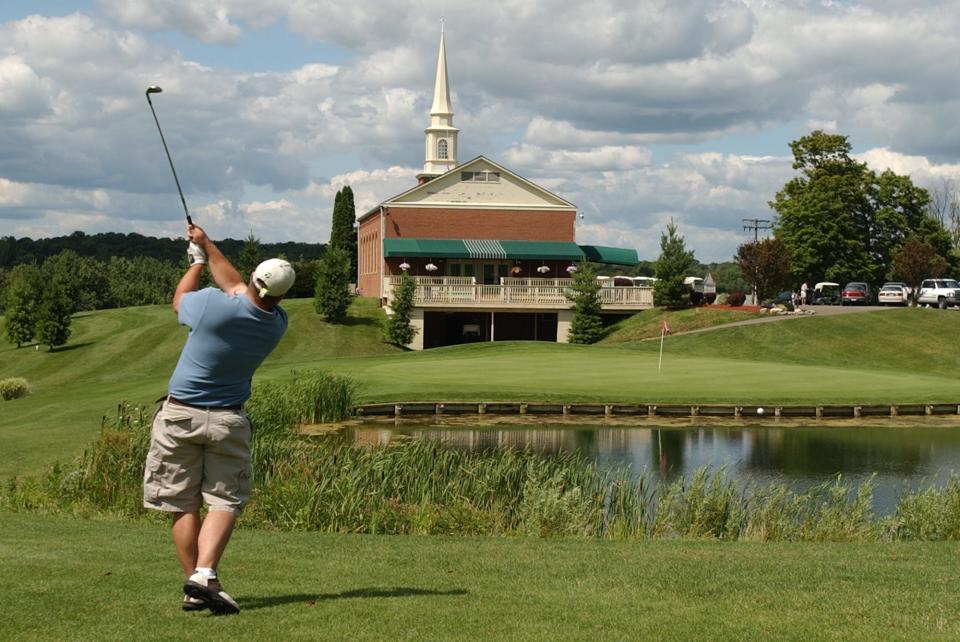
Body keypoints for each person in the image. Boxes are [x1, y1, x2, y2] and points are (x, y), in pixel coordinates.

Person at [143, 224, 295, 615]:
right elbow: (237, 285)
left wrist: (195, 262)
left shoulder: (212, 304)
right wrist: (207, 245)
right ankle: (203, 578)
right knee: (224, 500)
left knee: (182, 503)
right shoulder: (276, 323)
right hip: (228, 421)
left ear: (254, 281)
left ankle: (197, 581)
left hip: (179, 417)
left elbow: (180, 301)